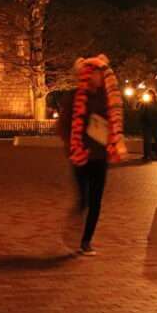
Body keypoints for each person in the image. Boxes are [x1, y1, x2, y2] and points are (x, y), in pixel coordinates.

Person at [57, 55, 127, 256]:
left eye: (100, 73)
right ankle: (75, 229)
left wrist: (115, 143)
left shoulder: (108, 99)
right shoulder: (74, 97)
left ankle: (86, 241)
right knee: (84, 199)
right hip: (81, 155)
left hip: (100, 156)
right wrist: (74, 145)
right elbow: (63, 126)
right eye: (95, 72)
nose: (98, 76)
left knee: (96, 201)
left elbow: (116, 122)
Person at [139, 89, 157, 161]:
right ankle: (151, 155)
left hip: (153, 125)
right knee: (150, 141)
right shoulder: (147, 104)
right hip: (149, 125)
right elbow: (141, 114)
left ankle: (155, 155)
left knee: (155, 141)